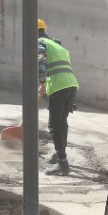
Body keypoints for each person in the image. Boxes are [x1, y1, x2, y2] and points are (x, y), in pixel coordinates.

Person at [37, 18, 79, 174]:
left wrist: (42, 82)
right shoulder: (58, 45)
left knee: (54, 124)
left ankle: (62, 163)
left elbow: (40, 61)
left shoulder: (40, 43)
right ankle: (59, 153)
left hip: (59, 86)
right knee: (62, 121)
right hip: (71, 85)